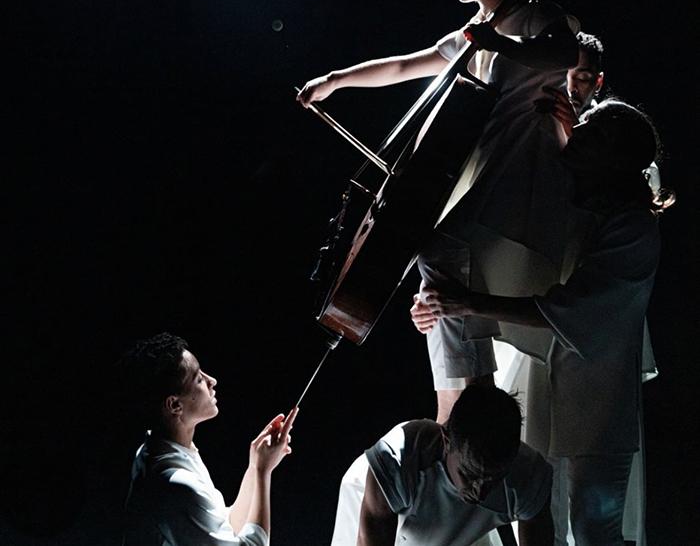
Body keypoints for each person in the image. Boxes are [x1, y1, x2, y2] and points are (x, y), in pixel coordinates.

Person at [298, 0, 579, 422]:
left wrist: (497, 42)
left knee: (437, 251)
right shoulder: (473, 32)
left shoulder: (537, 16)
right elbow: (406, 65)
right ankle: (466, 409)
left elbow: (563, 54)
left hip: (522, 178)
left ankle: (470, 405)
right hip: (486, 179)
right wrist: (335, 80)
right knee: (437, 278)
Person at [412, 100, 674, 546]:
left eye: (591, 130)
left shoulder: (634, 230)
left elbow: (569, 311)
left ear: (615, 155)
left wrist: (467, 303)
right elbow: (497, 259)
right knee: (535, 520)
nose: (577, 131)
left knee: (594, 529)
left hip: (599, 403)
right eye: (581, 124)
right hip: (541, 386)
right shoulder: (569, 204)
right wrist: (438, 305)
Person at [120, 332, 298, 546]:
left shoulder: (163, 450)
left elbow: (225, 528)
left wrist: (254, 466)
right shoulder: (175, 484)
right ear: (175, 405)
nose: (212, 381)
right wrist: (262, 472)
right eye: (198, 379)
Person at [330, 385, 554, 546]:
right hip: (376, 506)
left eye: (493, 478)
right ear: (446, 442)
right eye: (468, 474)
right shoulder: (397, 461)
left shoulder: (530, 477)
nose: (480, 492)